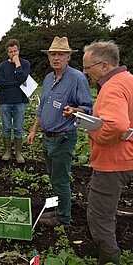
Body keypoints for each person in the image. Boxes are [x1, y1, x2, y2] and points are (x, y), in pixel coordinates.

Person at [27, 36, 92, 226]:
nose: (56, 58)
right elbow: (41, 108)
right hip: (47, 138)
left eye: (61, 54)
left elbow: (88, 108)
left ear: (68, 57)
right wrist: (33, 130)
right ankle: (57, 211)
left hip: (63, 138)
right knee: (54, 178)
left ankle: (63, 219)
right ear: (49, 57)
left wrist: (74, 110)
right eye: (53, 54)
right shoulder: (48, 78)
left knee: (61, 180)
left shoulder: (77, 78)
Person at [82, 41, 133, 265]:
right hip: (128, 156)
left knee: (100, 215)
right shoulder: (128, 80)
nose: (85, 72)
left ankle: (109, 259)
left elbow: (117, 125)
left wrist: (96, 135)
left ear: (103, 65)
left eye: (87, 67)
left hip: (113, 162)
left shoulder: (112, 86)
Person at [0, 39, 30, 163]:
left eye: (15, 51)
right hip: (5, 100)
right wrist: (17, 83)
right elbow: (0, 82)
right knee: (6, 127)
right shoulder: (3, 65)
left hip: (20, 100)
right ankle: (7, 151)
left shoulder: (25, 63)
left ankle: (18, 152)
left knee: (18, 127)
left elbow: (22, 77)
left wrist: (17, 64)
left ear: (19, 51)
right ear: (7, 53)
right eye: (11, 52)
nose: (13, 54)